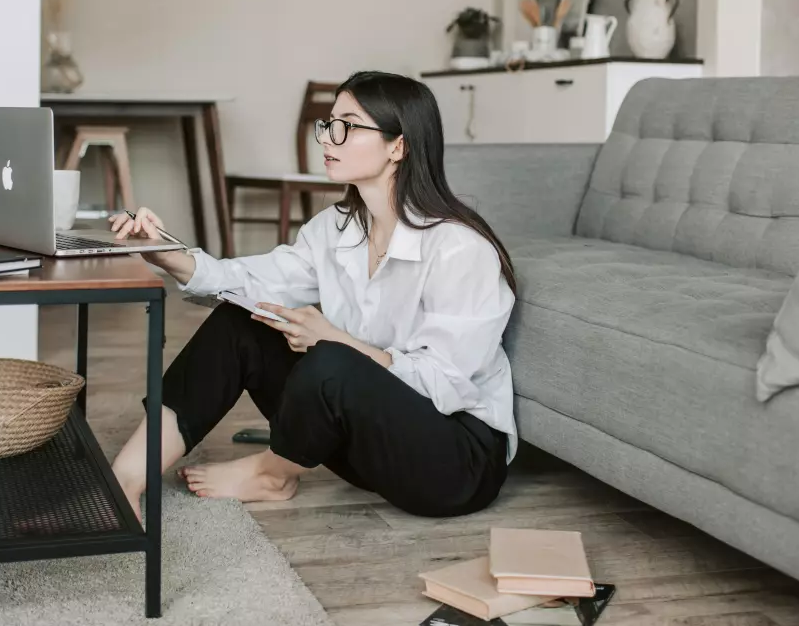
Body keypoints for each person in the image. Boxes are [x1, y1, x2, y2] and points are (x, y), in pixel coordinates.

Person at [108, 70, 518, 521]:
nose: (327, 138)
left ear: (397, 146)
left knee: (332, 360)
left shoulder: (460, 250)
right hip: (375, 446)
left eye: (348, 126)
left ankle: (273, 472)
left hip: (454, 462)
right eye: (328, 124)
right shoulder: (337, 227)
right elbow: (247, 280)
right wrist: (165, 253)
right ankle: (125, 479)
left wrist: (335, 341)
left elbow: (445, 384)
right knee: (241, 320)